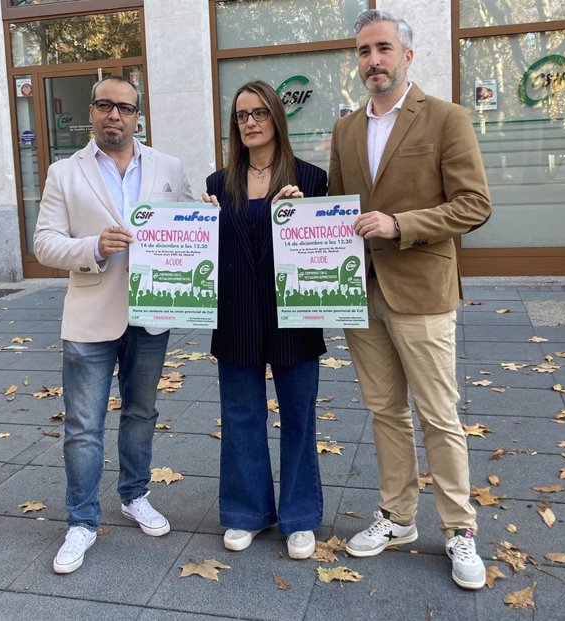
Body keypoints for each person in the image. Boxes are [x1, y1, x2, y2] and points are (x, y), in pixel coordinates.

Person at [328, 10, 491, 589]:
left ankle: (459, 529)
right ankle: (397, 517)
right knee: (384, 411)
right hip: (362, 292)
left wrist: (400, 224)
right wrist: (305, 206)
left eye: (383, 49)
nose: (373, 60)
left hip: (421, 289)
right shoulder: (346, 129)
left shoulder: (446, 118)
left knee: (439, 415)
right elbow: (337, 205)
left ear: (407, 56)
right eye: (364, 51)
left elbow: (473, 204)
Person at [34, 76, 193, 574]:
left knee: (142, 413)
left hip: (150, 315)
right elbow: (44, 244)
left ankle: (134, 495)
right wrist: (92, 248)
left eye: (124, 107)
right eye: (105, 105)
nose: (114, 115)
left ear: (137, 115)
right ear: (92, 111)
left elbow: (188, 227)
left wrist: (202, 220)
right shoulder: (65, 173)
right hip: (89, 318)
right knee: (83, 426)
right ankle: (81, 521)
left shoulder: (168, 167)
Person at [202, 80, 327, 560]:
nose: (250, 122)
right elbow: (213, 257)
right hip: (235, 317)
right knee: (240, 417)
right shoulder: (218, 185)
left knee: (299, 418)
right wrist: (202, 226)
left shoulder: (312, 180)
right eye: (241, 116)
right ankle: (245, 513)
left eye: (259, 113)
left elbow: (321, 252)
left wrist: (302, 216)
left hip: (293, 317)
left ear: (277, 117)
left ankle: (299, 518)